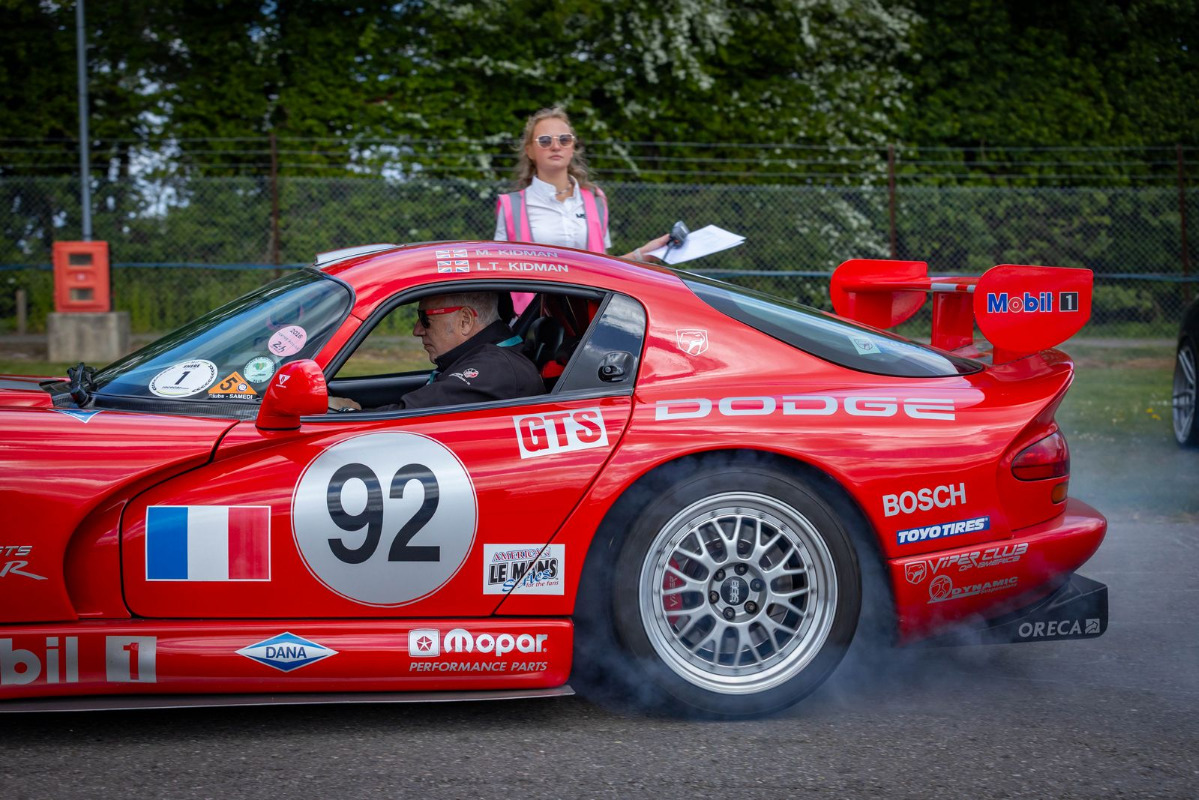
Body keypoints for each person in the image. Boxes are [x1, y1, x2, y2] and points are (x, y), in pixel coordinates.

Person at [495, 107, 670, 261]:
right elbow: (500, 267)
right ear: (530, 151)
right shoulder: (511, 206)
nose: (556, 146)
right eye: (545, 140)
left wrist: (644, 254)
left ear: (572, 147)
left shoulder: (596, 199)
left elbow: (604, 267)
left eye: (564, 140)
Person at [327, 291, 543, 412]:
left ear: (465, 320)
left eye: (425, 318)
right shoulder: (486, 357)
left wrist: (346, 412)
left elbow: (406, 416)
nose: (417, 330)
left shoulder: (495, 368)